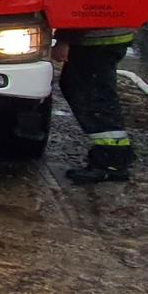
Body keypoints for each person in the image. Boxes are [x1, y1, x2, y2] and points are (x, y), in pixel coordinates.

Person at [56, 27, 137, 183]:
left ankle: (112, 159)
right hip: (111, 36)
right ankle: (113, 155)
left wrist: (64, 40)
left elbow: (82, 10)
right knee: (94, 92)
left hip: (94, 39)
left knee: (91, 94)